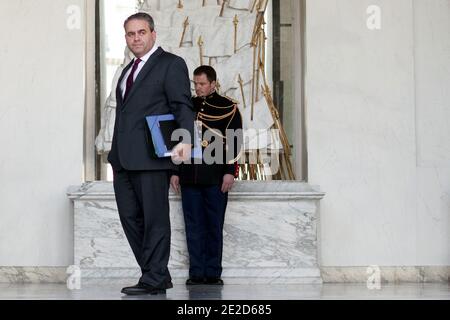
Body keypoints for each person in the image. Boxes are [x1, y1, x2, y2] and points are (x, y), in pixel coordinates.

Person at [108, 12, 195, 295]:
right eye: (131, 34)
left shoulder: (171, 64)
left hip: (152, 156)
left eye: (141, 32)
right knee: (130, 218)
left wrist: (185, 140)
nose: (136, 38)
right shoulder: (125, 70)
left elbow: (182, 105)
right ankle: (157, 273)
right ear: (126, 38)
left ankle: (154, 277)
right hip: (122, 158)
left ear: (153, 34)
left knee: (155, 219)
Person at [170, 66, 243, 286]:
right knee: (193, 226)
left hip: (215, 176)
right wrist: (174, 171)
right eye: (196, 84)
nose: (198, 88)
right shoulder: (188, 106)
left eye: (202, 84)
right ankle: (196, 273)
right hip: (189, 175)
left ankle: (212, 273)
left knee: (213, 225)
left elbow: (235, 141)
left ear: (213, 83)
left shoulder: (228, 107)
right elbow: (178, 139)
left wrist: (230, 172)